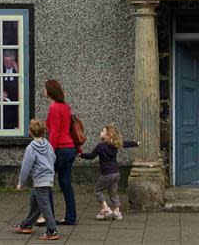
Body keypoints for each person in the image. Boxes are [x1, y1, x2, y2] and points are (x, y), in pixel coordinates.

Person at [79, 125, 140, 220]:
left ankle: (105, 209)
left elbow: (91, 156)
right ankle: (117, 212)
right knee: (113, 192)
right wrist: (136, 143)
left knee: (97, 190)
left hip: (107, 174)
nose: (100, 132)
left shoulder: (100, 146)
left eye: (102, 131)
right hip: (116, 173)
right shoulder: (115, 144)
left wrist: (82, 155)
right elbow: (126, 143)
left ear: (108, 135)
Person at [13, 119, 59, 240]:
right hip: (48, 179)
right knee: (35, 202)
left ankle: (52, 230)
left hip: (40, 180)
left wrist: (21, 182)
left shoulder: (31, 148)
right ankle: (27, 224)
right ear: (44, 132)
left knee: (44, 205)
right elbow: (53, 158)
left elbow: (25, 167)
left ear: (30, 132)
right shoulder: (48, 145)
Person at [45, 79, 79, 225]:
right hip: (70, 149)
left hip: (60, 150)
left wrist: (49, 153)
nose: (43, 91)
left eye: (45, 88)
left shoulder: (54, 108)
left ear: (49, 91)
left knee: (45, 183)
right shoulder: (65, 106)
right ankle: (70, 217)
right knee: (66, 184)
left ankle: (49, 216)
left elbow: (55, 133)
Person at [3, 50, 19, 129]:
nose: (6, 63)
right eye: (5, 61)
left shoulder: (18, 71)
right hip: (4, 104)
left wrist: (18, 70)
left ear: (13, 61)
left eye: (9, 61)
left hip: (16, 103)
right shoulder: (0, 70)